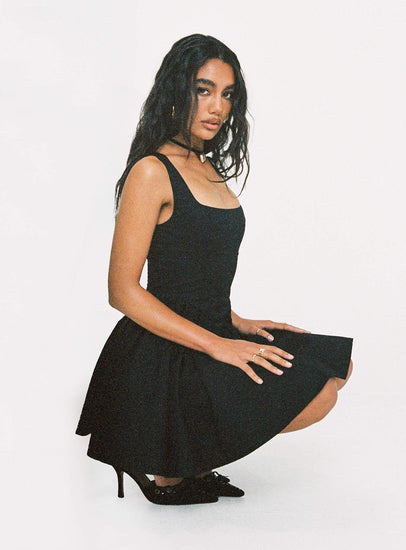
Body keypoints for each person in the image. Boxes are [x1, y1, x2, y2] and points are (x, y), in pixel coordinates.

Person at [75, 34, 354, 506]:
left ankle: (188, 461)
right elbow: (121, 291)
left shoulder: (205, 166)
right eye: (203, 90)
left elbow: (193, 268)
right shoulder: (152, 171)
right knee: (320, 393)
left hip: (214, 325)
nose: (217, 107)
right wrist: (218, 345)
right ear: (174, 90)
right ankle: (172, 470)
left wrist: (237, 323)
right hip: (169, 347)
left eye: (227, 94)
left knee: (335, 365)